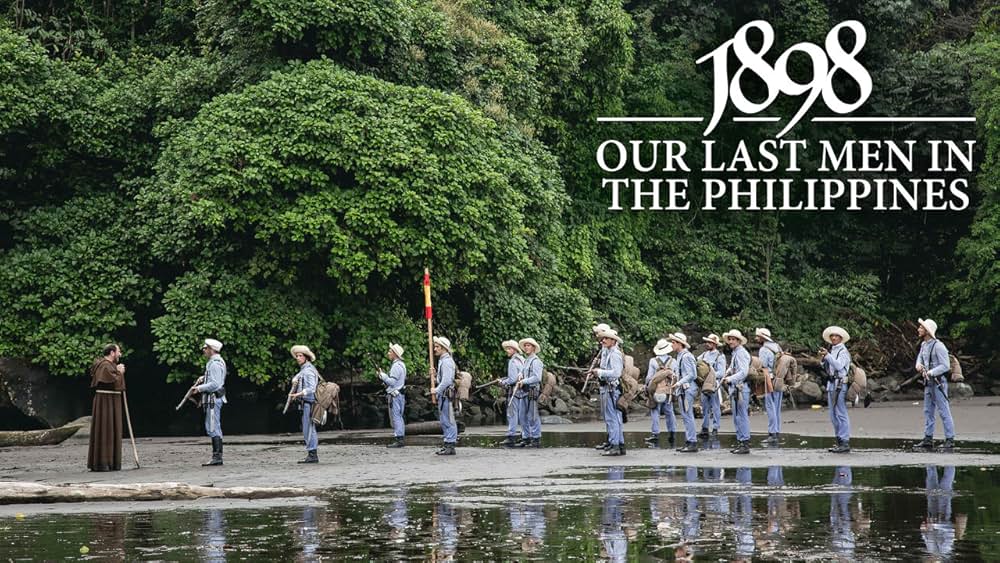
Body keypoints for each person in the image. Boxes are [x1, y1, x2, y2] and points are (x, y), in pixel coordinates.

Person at [912, 318, 957, 451]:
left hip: (938, 383)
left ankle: (950, 439)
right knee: (928, 411)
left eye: (921, 327)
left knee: (944, 411)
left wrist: (931, 372)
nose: (918, 329)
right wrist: (918, 365)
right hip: (928, 383)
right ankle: (928, 438)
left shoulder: (939, 346)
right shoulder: (923, 345)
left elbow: (945, 366)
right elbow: (920, 358)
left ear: (927, 331)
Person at [88, 343, 125, 472]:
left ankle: (110, 462)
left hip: (110, 401)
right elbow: (114, 382)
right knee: (105, 429)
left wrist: (118, 372)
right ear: (112, 353)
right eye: (118, 351)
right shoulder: (104, 366)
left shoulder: (109, 365)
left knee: (110, 429)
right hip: (106, 402)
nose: (120, 354)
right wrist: (120, 373)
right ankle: (103, 462)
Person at [191, 338, 227, 466]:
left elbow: (215, 384)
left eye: (206, 348)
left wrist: (199, 389)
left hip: (213, 400)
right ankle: (217, 456)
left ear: (212, 350)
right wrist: (204, 378)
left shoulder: (215, 363)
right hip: (213, 399)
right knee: (213, 426)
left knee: (212, 427)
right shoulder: (214, 362)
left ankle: (217, 457)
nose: (204, 350)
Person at [592, 329, 625, 456]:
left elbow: (616, 373)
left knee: (612, 418)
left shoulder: (615, 354)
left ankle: (615, 445)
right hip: (610, 388)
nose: (603, 340)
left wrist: (599, 372)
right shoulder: (610, 352)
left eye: (606, 338)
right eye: (603, 338)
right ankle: (618, 444)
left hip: (611, 389)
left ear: (613, 340)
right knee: (614, 417)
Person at [820, 326, 852, 453]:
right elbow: (828, 367)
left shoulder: (843, 351)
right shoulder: (832, 350)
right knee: (832, 414)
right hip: (832, 383)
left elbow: (838, 365)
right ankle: (839, 440)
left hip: (840, 384)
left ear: (841, 338)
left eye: (836, 336)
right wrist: (823, 359)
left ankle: (844, 441)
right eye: (832, 336)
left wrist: (827, 356)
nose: (833, 337)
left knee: (841, 413)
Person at [721, 330, 751, 454]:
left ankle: (744, 443)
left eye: (733, 339)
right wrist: (728, 371)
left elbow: (744, 372)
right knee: (737, 416)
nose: (731, 341)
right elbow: (736, 367)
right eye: (730, 339)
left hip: (740, 388)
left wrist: (730, 378)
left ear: (739, 341)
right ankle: (741, 441)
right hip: (736, 388)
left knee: (741, 416)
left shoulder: (741, 353)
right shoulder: (736, 353)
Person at [288, 345, 320, 463]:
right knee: (308, 428)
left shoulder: (308, 370)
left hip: (309, 403)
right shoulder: (305, 369)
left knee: (309, 428)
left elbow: (311, 388)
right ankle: (312, 453)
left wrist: (299, 394)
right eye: (297, 356)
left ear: (306, 357)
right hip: (305, 403)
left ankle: (312, 454)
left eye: (300, 356)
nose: (298, 358)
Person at [644, 338, 677, 446]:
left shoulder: (653, 361)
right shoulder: (673, 362)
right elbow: (676, 376)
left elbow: (649, 377)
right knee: (669, 411)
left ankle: (655, 434)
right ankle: (672, 432)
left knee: (655, 411)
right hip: (669, 390)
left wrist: (646, 387)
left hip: (656, 390)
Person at [670, 333, 699, 453]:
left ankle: (692, 442)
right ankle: (689, 440)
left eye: (673, 342)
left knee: (688, 415)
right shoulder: (680, 356)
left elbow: (693, 374)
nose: (671, 345)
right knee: (686, 415)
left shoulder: (686, 356)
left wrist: (678, 383)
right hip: (684, 389)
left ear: (680, 344)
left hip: (688, 389)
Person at [755, 328, 783, 447]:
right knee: (777, 407)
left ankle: (772, 433)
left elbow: (763, 365)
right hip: (779, 379)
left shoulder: (764, 349)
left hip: (769, 379)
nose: (756, 338)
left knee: (770, 406)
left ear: (763, 338)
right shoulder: (777, 347)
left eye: (758, 336)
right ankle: (776, 431)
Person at [430, 336, 457, 455]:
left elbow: (446, 381)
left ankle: (450, 444)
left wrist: (436, 390)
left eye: (437, 347)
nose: (435, 349)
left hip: (447, 395)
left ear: (444, 348)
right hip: (444, 395)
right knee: (444, 420)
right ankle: (447, 443)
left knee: (449, 420)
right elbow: (442, 378)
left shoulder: (446, 362)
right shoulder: (443, 361)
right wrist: (435, 375)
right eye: (435, 346)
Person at [515, 338, 543, 448]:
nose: (526, 347)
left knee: (533, 416)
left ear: (533, 348)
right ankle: (526, 437)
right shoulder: (526, 361)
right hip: (524, 391)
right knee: (522, 415)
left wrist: (524, 381)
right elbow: (522, 372)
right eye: (525, 345)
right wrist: (520, 375)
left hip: (532, 391)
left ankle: (536, 438)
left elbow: (537, 377)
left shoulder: (536, 361)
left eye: (528, 345)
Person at [378, 343, 407, 448]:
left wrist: (383, 376)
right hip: (400, 394)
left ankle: (399, 439)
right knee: (399, 416)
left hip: (396, 395)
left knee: (396, 417)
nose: (388, 353)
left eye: (390, 351)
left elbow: (392, 382)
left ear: (395, 353)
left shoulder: (396, 366)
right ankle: (400, 437)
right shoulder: (402, 365)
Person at [496, 340, 525, 447]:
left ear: (514, 350)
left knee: (511, 413)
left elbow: (512, 379)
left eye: (509, 349)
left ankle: (511, 436)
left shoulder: (512, 361)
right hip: (522, 390)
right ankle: (524, 436)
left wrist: (502, 382)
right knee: (521, 414)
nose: (507, 351)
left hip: (514, 390)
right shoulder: (522, 360)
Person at [697, 334, 726, 439]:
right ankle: (705, 428)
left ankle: (715, 428)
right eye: (707, 342)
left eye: (709, 342)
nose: (707, 344)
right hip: (704, 384)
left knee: (715, 406)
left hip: (714, 384)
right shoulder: (703, 355)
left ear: (714, 344)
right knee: (705, 407)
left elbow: (721, 372)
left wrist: (710, 374)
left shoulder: (720, 356)